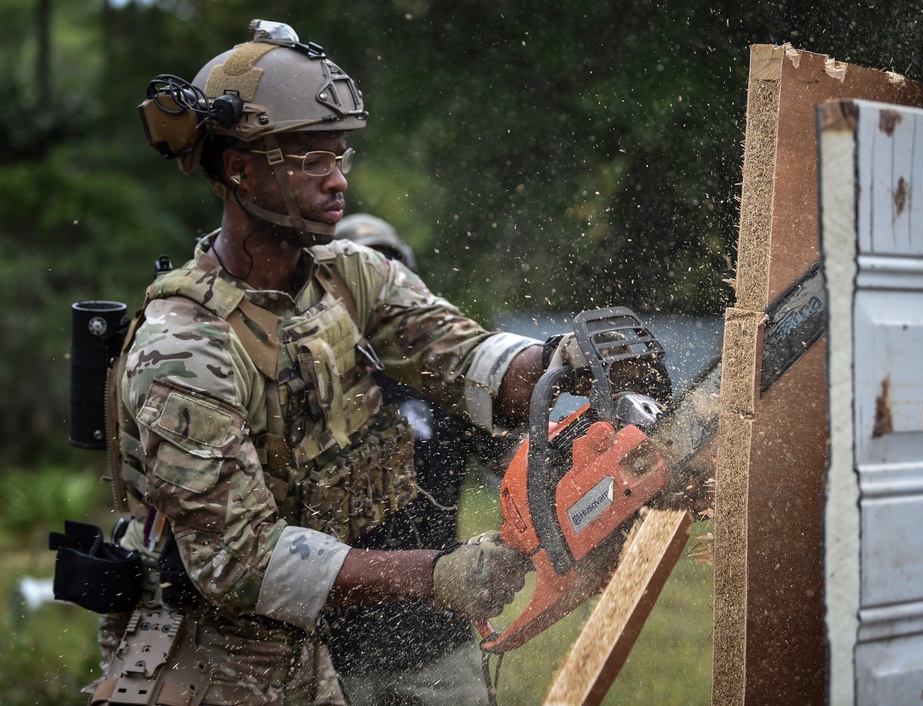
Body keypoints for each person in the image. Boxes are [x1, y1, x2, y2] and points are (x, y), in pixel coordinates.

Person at [84, 19, 594, 706]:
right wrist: (436, 575)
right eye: (309, 161)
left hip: (309, 656)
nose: (336, 182)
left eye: (339, 157)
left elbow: (467, 358)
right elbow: (237, 562)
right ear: (239, 170)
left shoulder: (350, 277)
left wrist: (561, 361)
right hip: (212, 666)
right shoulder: (185, 345)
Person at [328, 214, 513, 705]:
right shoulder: (312, 386)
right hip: (332, 651)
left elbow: (516, 460)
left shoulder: (442, 378)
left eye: (386, 272)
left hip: (439, 641)